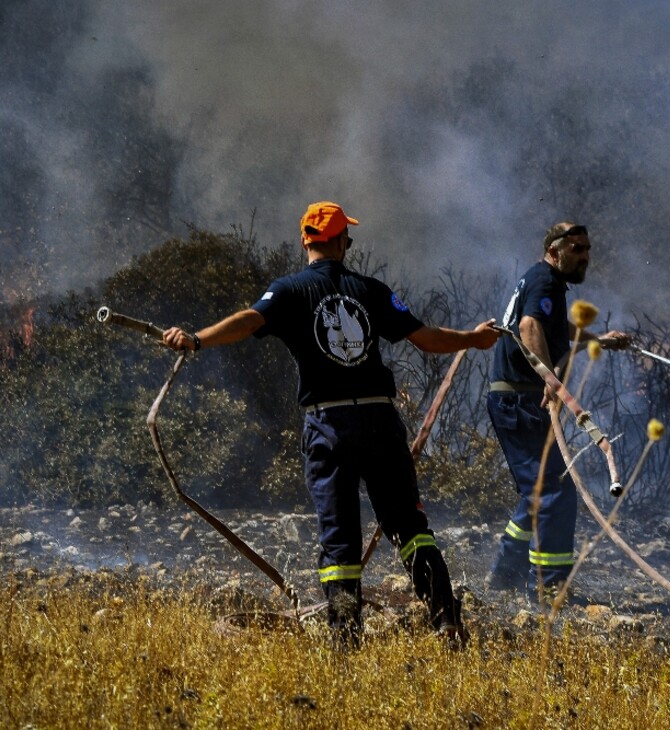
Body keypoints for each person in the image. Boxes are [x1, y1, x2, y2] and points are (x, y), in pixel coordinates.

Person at [163, 201, 499, 648]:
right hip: (380, 419)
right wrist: (473, 340)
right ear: (342, 242)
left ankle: (345, 640)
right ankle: (447, 623)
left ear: (305, 241)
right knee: (410, 526)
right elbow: (427, 338)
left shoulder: (287, 290)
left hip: (329, 424)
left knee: (340, 539)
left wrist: (198, 339)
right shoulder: (371, 290)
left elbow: (248, 320)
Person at [486, 221, 630, 602]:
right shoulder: (546, 281)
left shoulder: (544, 282)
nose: (585, 257)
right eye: (577, 249)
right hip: (520, 401)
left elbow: (551, 326)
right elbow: (530, 325)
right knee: (556, 492)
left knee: (537, 490)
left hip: (514, 399)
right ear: (554, 250)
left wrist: (599, 340)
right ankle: (548, 587)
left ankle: (504, 575)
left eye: (587, 249)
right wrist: (550, 378)